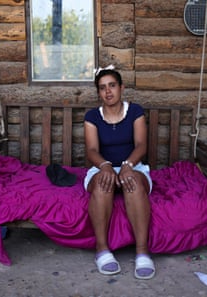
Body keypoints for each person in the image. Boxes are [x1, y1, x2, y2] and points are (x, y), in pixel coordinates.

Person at [83, 66, 155, 280]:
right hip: (102, 166)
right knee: (103, 183)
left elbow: (141, 145)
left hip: (132, 166)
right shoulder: (92, 116)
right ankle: (102, 250)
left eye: (112, 86)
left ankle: (142, 251)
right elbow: (92, 150)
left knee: (131, 182)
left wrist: (128, 165)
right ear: (98, 92)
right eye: (102, 88)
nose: (108, 92)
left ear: (121, 88)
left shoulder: (135, 111)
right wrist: (105, 166)